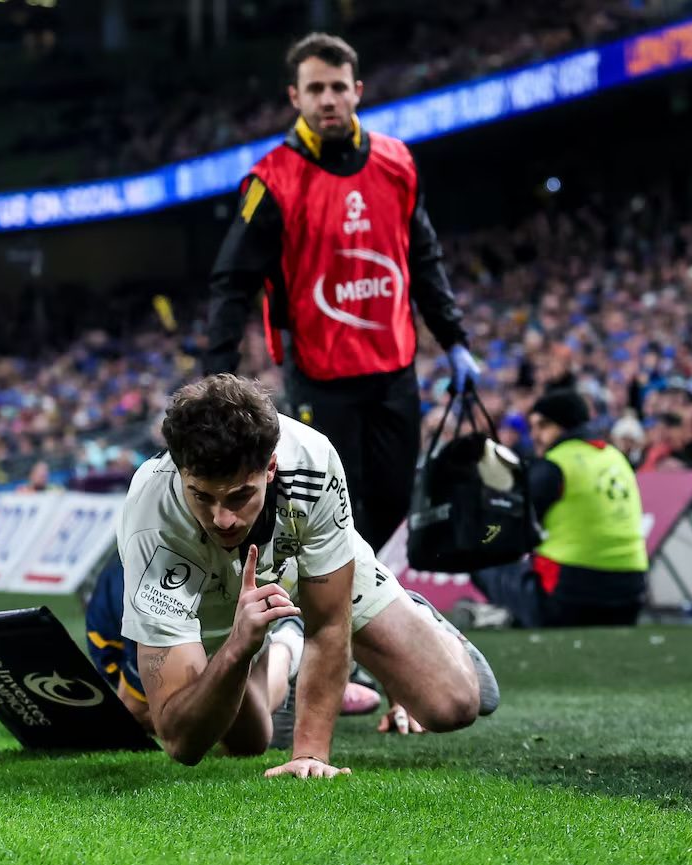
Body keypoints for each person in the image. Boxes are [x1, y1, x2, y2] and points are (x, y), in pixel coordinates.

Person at [119, 375, 497, 777]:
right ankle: (283, 652)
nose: (222, 518)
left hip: (303, 556)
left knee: (453, 705)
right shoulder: (151, 520)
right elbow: (180, 742)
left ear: (270, 468)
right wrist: (237, 647)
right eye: (202, 496)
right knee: (247, 742)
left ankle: (413, 615)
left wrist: (310, 754)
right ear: (180, 472)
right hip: (208, 588)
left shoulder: (312, 459)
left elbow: (328, 623)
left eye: (239, 496)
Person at [203, 33, 476, 551]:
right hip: (320, 378)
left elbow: (424, 258)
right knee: (335, 515)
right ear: (295, 97)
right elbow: (232, 284)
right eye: (315, 89)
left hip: (394, 371)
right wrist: (216, 375)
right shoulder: (271, 180)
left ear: (357, 90)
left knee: (395, 505)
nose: (327, 99)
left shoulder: (397, 163)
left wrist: (455, 339)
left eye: (337, 87)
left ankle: (376, 598)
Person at [85, 551, 384, 738]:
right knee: (222, 727)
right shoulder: (153, 585)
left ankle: (291, 651)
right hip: (123, 636)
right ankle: (290, 646)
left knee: (236, 726)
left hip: (205, 615)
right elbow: (139, 710)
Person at [469, 389, 648, 628]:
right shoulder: (616, 457)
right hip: (630, 602)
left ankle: (507, 613)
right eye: (532, 427)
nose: (535, 435)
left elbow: (509, 528)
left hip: (569, 603)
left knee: (479, 555)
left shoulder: (555, 464)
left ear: (566, 425)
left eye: (543, 426)